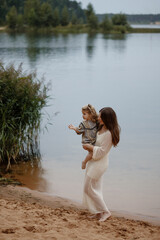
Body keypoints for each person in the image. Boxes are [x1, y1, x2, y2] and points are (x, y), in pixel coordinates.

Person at [82, 107, 120, 222]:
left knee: (88, 188)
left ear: (107, 118)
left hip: (100, 163)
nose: (98, 118)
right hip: (94, 161)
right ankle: (98, 212)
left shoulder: (109, 133)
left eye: (100, 116)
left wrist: (90, 147)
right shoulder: (101, 128)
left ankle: (106, 211)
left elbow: (103, 152)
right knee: (95, 188)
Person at [68, 104, 98, 169]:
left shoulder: (95, 122)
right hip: (86, 142)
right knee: (92, 153)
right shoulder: (83, 124)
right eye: (82, 114)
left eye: (84, 114)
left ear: (90, 114)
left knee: (93, 153)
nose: (82, 116)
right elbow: (79, 131)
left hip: (93, 141)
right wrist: (74, 128)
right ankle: (84, 162)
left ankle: (90, 163)